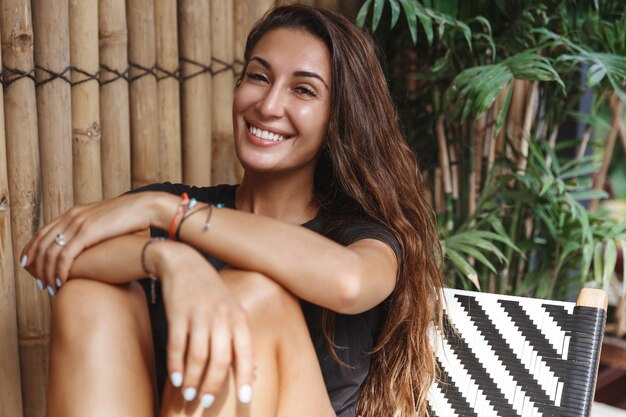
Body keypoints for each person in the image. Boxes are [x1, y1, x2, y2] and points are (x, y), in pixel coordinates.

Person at [20, 5, 443, 417]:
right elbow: (56, 258)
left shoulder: (361, 234)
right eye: (259, 77)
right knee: (90, 294)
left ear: (338, 118)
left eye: (303, 90)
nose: (269, 105)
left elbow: (350, 282)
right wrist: (169, 258)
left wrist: (166, 212)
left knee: (253, 293)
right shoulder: (174, 213)